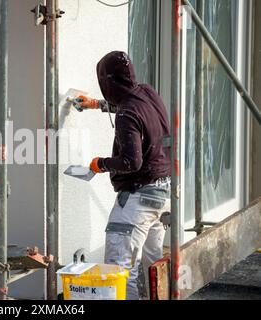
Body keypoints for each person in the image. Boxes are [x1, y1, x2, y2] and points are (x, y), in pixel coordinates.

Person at [76, 51, 171, 300]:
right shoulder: (147, 92)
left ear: (108, 81)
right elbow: (132, 105)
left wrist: (101, 164)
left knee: (119, 269)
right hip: (163, 194)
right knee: (153, 265)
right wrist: (97, 104)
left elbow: (131, 161)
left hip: (139, 198)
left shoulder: (126, 115)